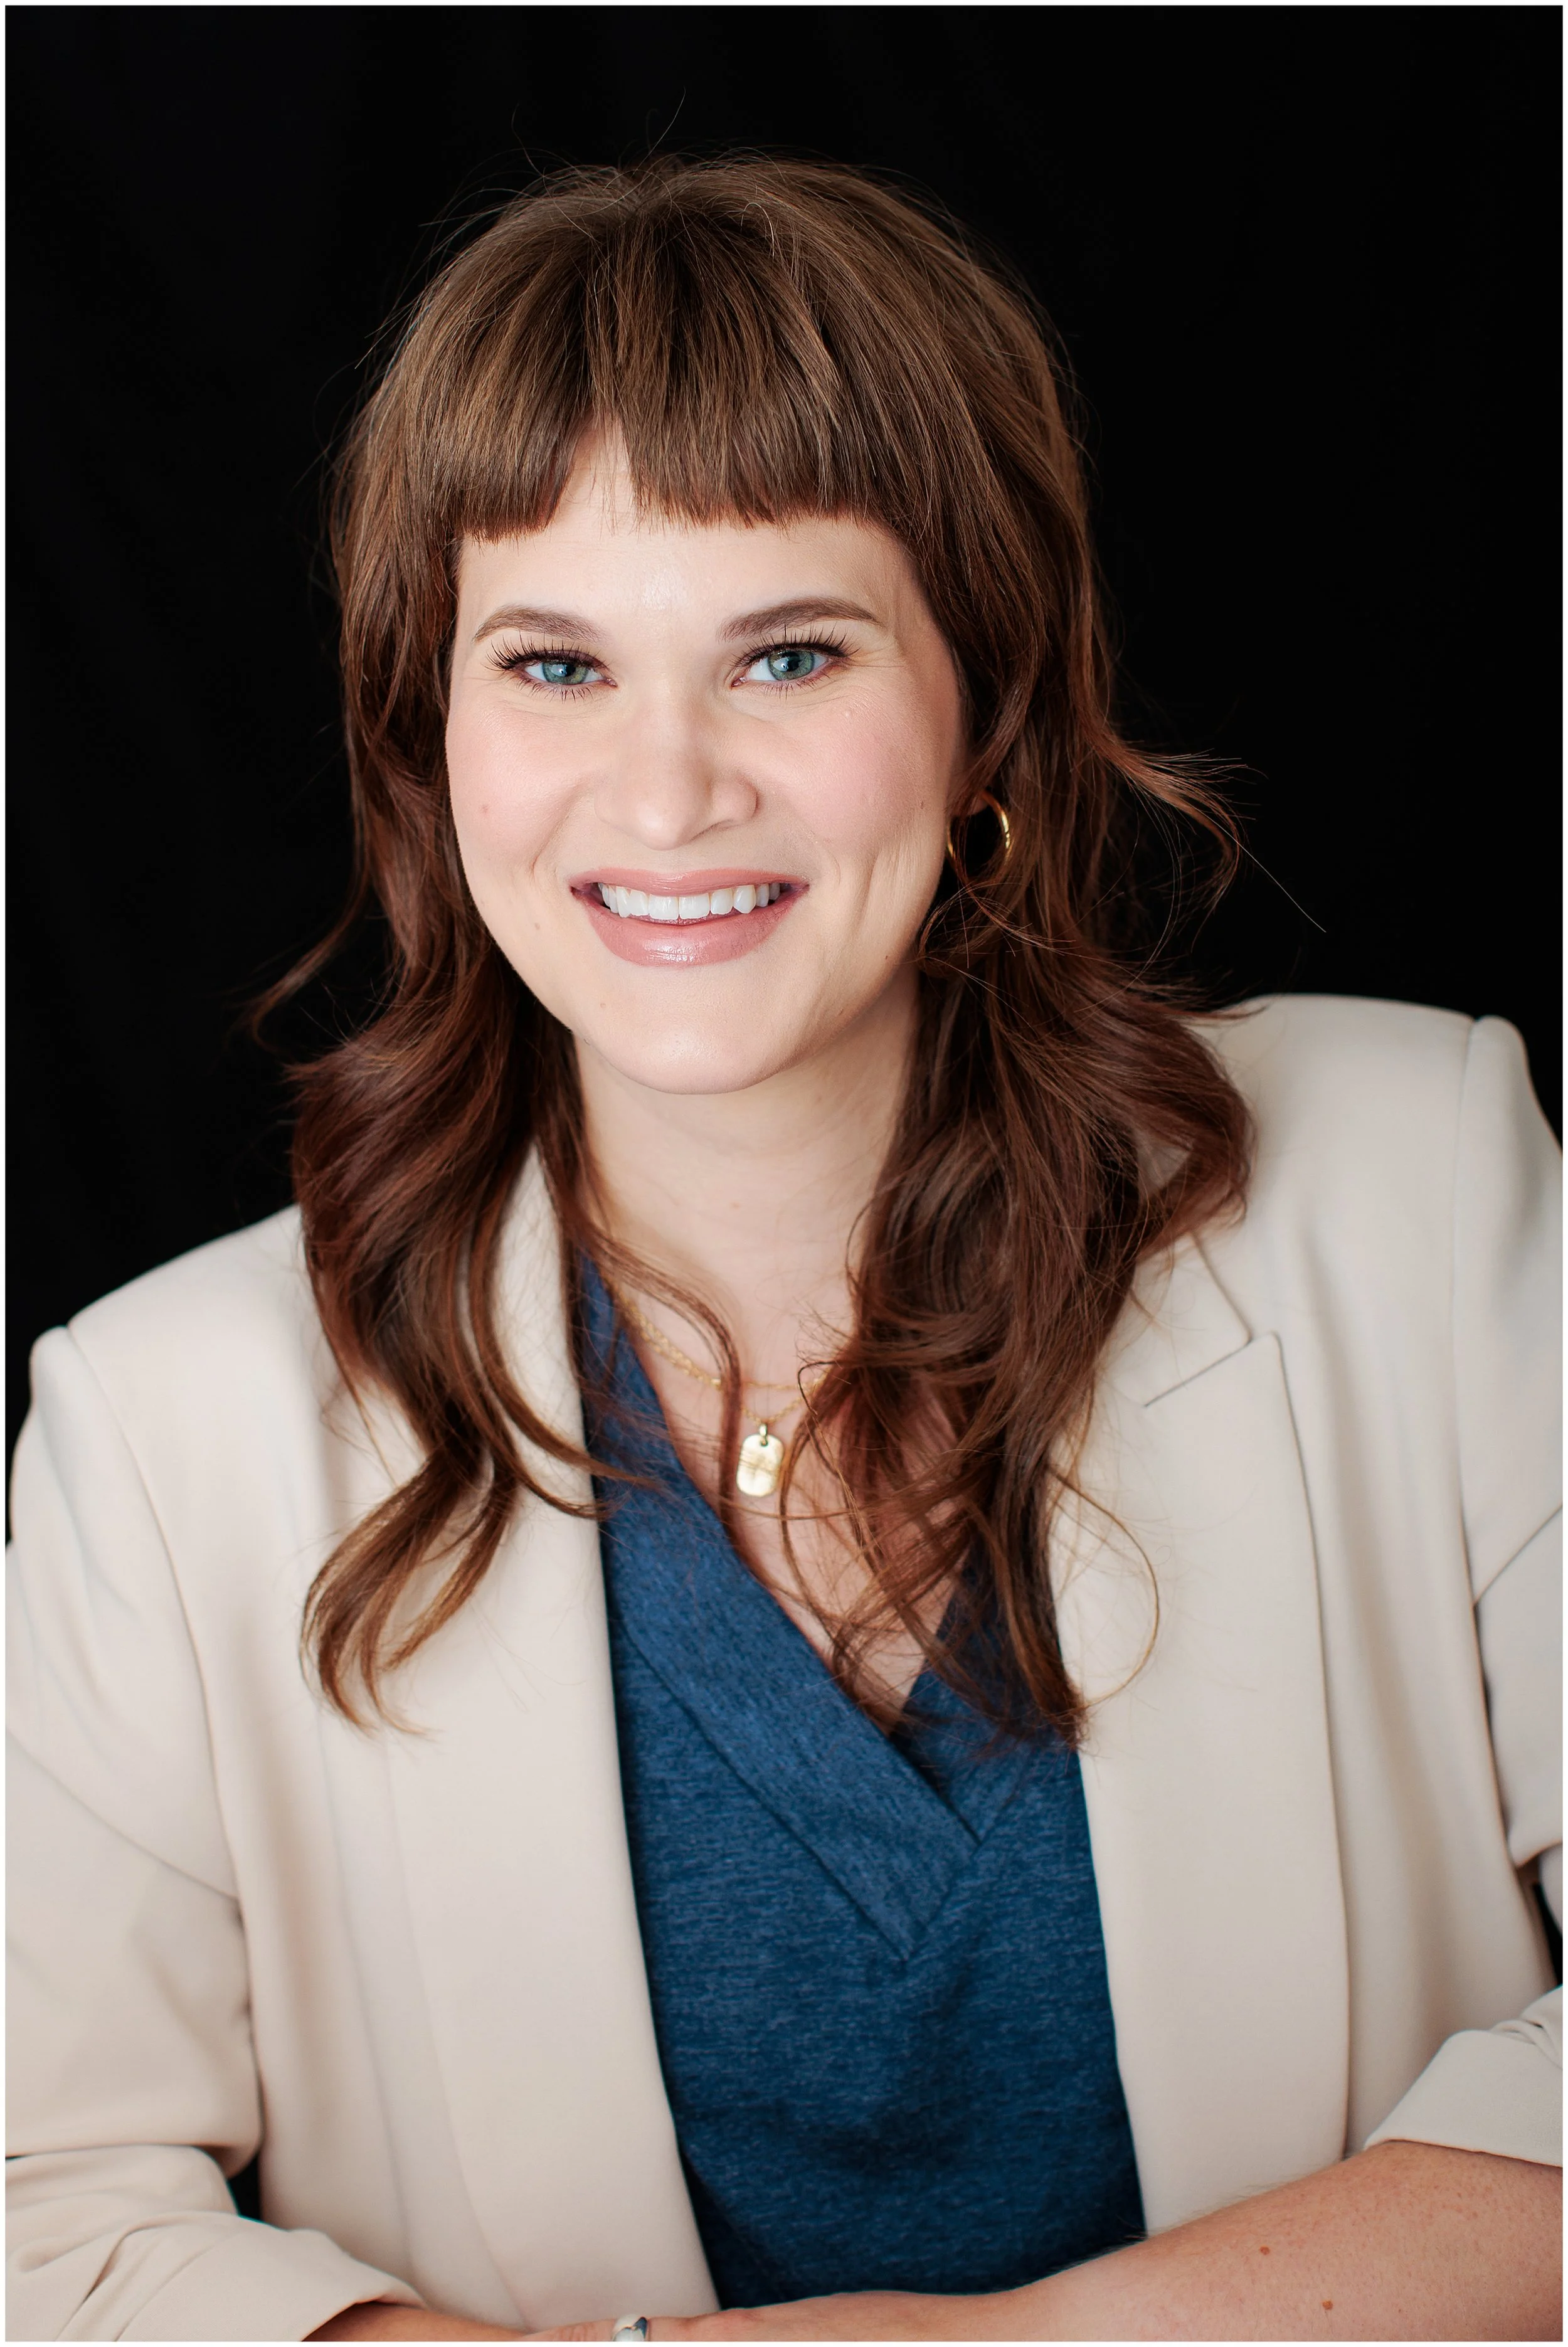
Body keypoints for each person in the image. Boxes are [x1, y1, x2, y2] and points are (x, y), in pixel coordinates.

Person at [7, 157, 1559, 2345]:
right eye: (554, 663)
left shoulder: (1419, 1182)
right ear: (428, 734)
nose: (664, 795)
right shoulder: (163, 1427)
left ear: (984, 704)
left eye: (791, 653)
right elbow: (43, 2222)